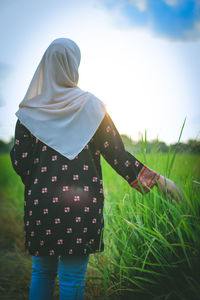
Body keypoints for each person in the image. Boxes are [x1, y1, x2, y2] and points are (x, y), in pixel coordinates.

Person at [10, 38, 181, 300]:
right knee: (73, 278)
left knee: (41, 272)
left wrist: (43, 187)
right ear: (73, 65)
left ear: (45, 65)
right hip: (81, 205)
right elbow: (118, 155)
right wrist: (158, 180)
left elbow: (20, 160)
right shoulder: (92, 107)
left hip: (41, 203)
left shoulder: (29, 112)